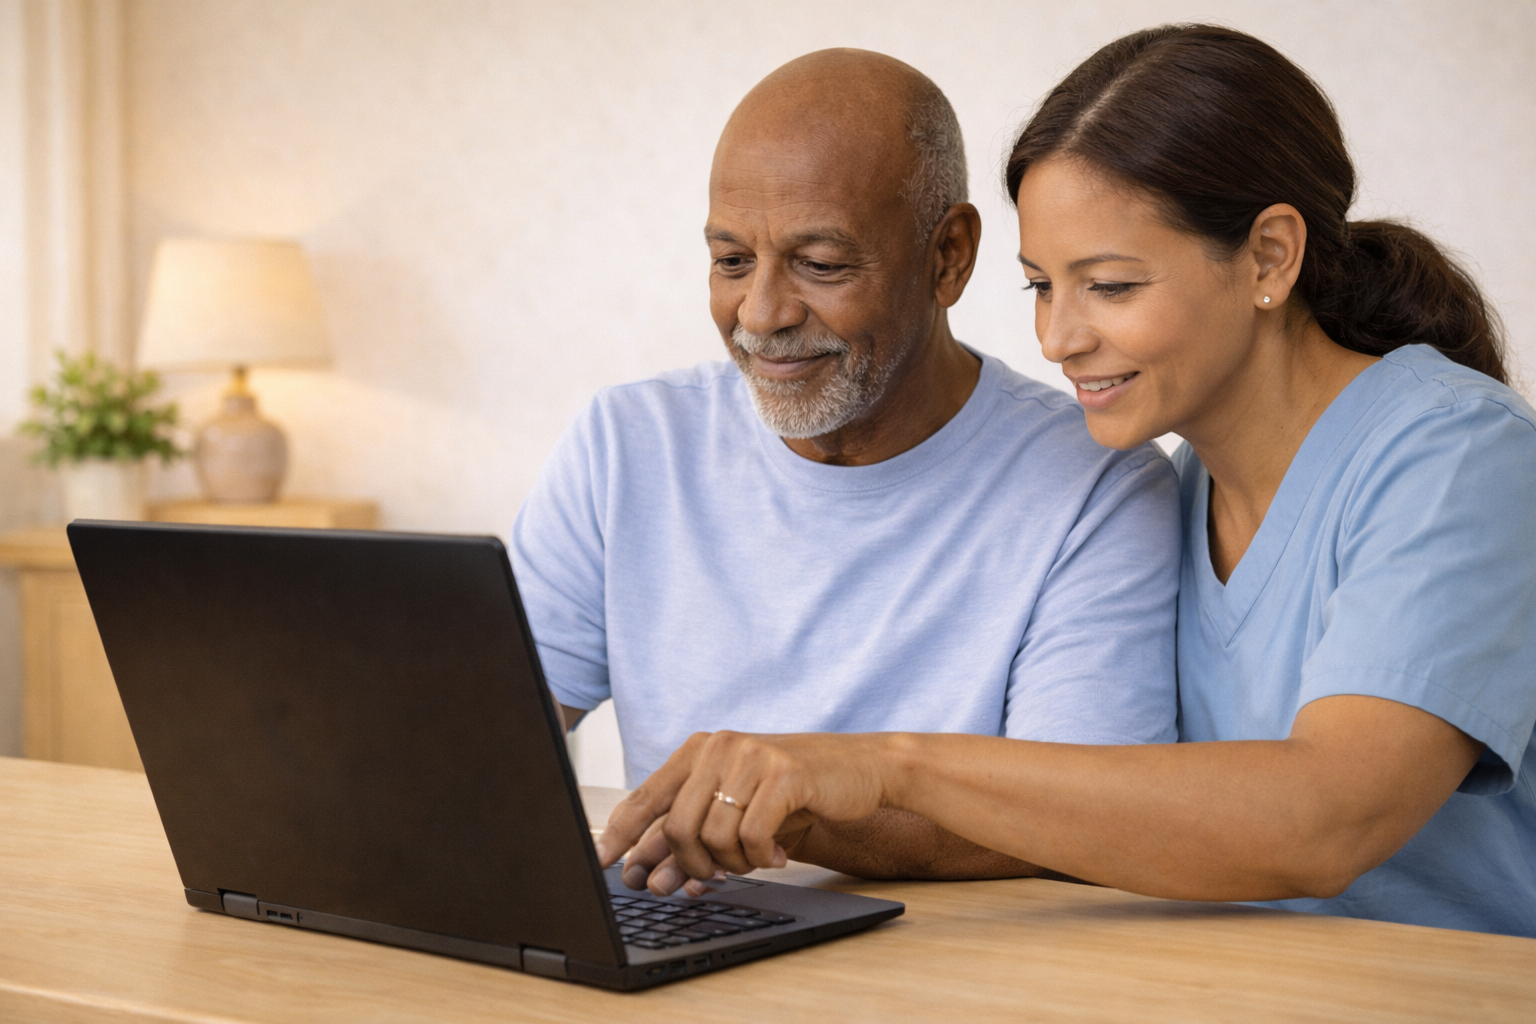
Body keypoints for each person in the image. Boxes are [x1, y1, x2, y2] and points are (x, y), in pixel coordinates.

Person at [600, 25, 1536, 938]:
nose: (1057, 340)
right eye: (1042, 285)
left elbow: (1328, 820)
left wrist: (887, 766)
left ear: (1270, 256)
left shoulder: (1458, 460)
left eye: (1112, 286)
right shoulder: (1176, 484)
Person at [511, 49, 1182, 889]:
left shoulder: (1097, 486)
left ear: (949, 256)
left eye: (821, 266)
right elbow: (481, 731)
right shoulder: (626, 444)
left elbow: (1084, 822)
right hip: (671, 951)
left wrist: (796, 812)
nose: (761, 314)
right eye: (730, 261)